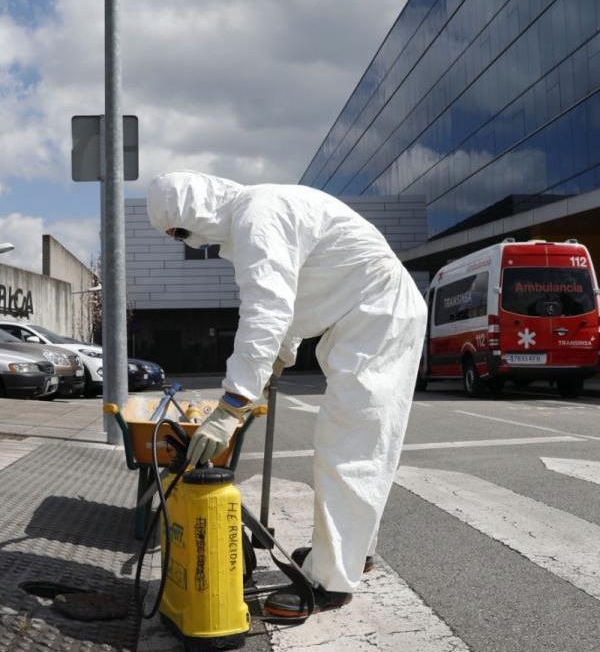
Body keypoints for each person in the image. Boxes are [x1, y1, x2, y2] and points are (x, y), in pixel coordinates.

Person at [146, 171, 427, 617]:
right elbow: (293, 299)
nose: (189, 241)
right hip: (364, 316)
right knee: (360, 444)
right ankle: (353, 553)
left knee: (349, 446)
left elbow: (268, 306)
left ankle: (329, 582)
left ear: (196, 208)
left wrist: (232, 403)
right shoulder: (253, 217)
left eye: (181, 230)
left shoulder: (257, 216)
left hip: (378, 316)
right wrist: (279, 356)